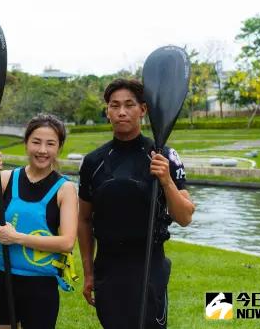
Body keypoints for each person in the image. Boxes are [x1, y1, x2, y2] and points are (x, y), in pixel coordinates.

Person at [77, 79, 195, 329]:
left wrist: (166, 180)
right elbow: (84, 219)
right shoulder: (93, 162)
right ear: (107, 111)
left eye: (129, 105)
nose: (121, 112)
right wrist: (89, 272)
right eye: (114, 105)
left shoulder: (164, 156)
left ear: (143, 109)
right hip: (108, 269)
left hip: (149, 267)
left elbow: (185, 217)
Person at [0, 114, 78, 329]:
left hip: (40, 286)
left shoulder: (65, 189)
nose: (42, 150)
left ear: (59, 148)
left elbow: (67, 242)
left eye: (50, 144)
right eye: (36, 142)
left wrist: (17, 238)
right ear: (26, 143)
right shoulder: (5, 178)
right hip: (1, 279)